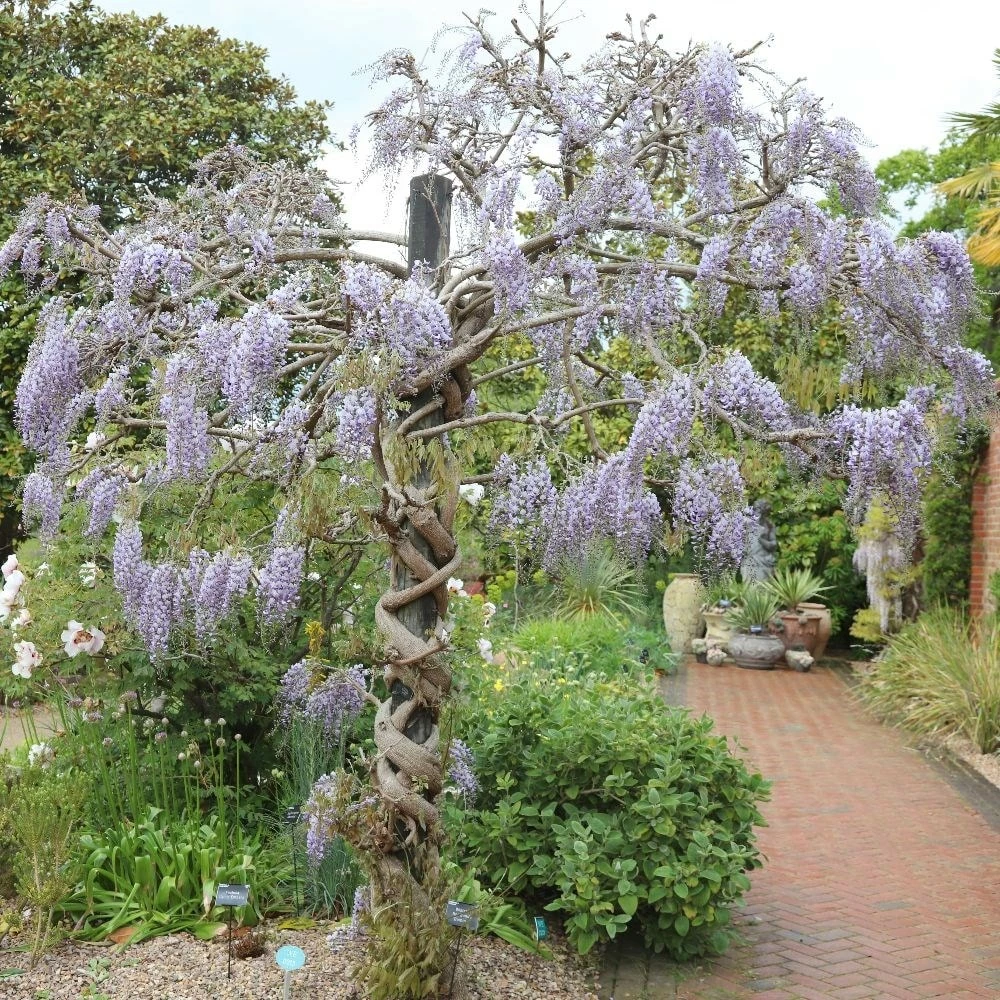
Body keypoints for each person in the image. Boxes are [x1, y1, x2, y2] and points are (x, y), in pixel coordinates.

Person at [741, 498, 777, 583]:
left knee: (764, 588)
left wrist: (762, 540)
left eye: (760, 510)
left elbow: (773, 544)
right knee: (750, 589)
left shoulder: (769, 525)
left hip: (764, 561)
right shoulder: (746, 524)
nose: (758, 513)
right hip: (750, 560)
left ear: (765, 512)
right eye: (756, 510)